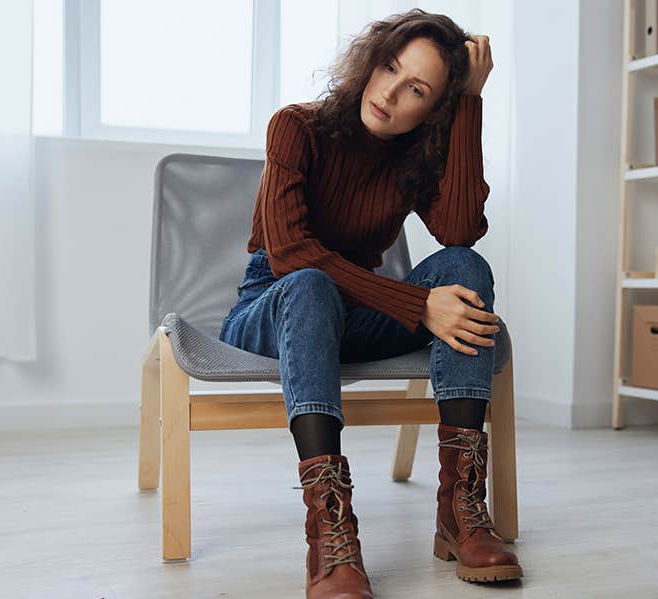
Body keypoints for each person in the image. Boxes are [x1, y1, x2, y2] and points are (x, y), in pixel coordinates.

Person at [218, 9, 521, 597]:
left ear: (431, 109)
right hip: (275, 306)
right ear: (370, 60)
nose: (389, 92)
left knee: (466, 267)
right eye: (390, 67)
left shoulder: (413, 160)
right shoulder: (296, 127)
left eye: (418, 89)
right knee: (310, 284)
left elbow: (459, 229)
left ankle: (460, 508)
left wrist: (469, 103)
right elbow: (290, 256)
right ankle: (330, 530)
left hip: (357, 309)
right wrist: (417, 306)